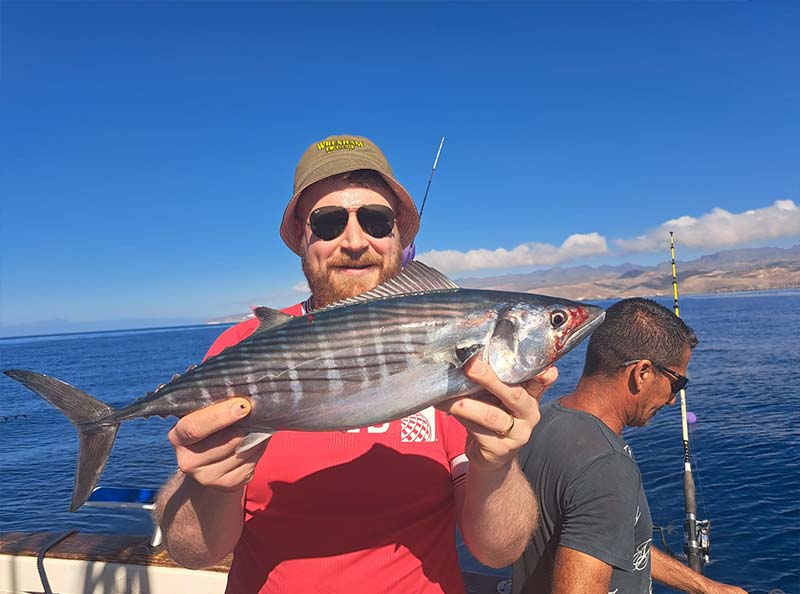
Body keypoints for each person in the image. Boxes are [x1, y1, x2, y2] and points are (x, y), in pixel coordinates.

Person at [154, 134, 558, 594]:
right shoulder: (243, 347)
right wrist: (211, 486)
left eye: (375, 220)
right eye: (327, 223)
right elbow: (193, 552)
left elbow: (497, 550)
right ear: (301, 240)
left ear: (397, 235)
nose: (353, 241)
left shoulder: (469, 372)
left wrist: (497, 463)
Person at [512, 298, 748, 594]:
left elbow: (612, 540)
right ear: (643, 373)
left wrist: (706, 587)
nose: (673, 399)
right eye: (677, 383)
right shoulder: (606, 467)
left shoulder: (542, 420)